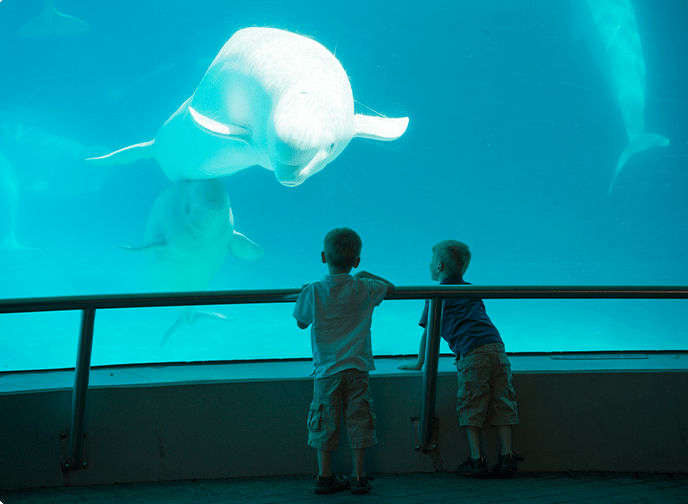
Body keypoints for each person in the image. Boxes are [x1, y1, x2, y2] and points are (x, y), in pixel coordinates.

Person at [399, 239, 520, 478]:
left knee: (470, 405)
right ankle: (507, 456)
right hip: (497, 348)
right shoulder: (471, 289)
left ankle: (477, 459)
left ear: (440, 266)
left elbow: (429, 332)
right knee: (502, 402)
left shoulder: (436, 294)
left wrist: (419, 363)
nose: (430, 264)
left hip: (472, 353)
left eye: (432, 261)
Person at [293, 227, 395, 494]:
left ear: (323, 257)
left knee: (324, 421)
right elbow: (391, 288)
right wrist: (363, 275)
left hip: (326, 371)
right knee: (359, 420)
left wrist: (307, 293)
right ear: (357, 262)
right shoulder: (365, 287)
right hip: (357, 368)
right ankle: (359, 476)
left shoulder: (313, 291)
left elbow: (302, 323)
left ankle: (324, 475)